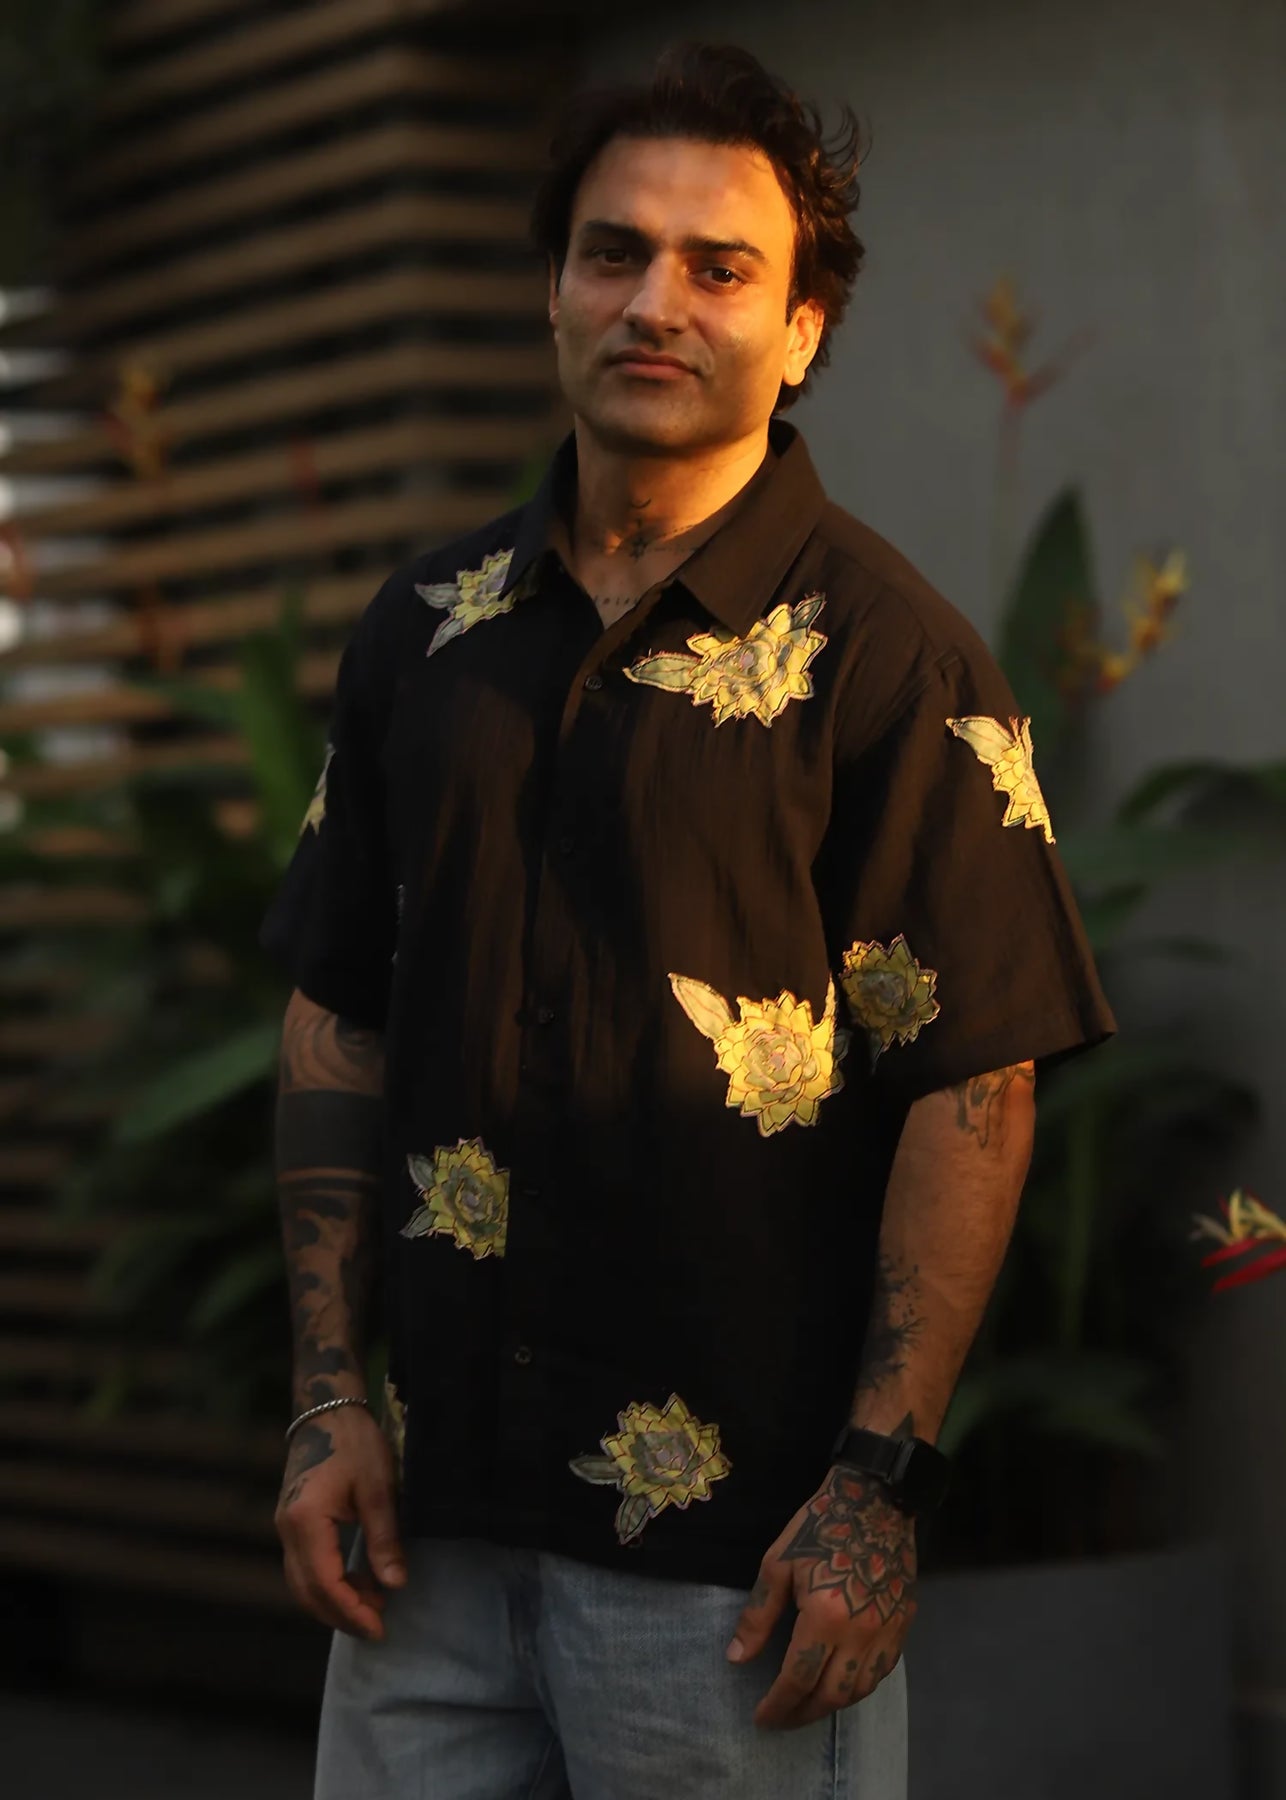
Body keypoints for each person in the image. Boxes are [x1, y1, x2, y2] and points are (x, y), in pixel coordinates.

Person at [260, 39, 1115, 1800]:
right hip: (427, 1540)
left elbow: (973, 1083)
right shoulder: (421, 635)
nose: (655, 301)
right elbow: (338, 1014)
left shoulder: (891, 662)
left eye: (718, 268)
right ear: (552, 292)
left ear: (800, 330)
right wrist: (328, 1398)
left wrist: (875, 1488)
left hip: (735, 1576)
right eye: (611, 253)